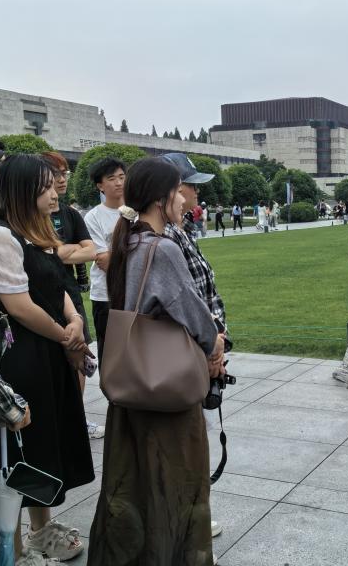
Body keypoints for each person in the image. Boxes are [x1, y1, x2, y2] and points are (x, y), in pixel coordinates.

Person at [88, 157, 220, 566]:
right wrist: (215, 344)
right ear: (161, 199)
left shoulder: (127, 241)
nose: (183, 199)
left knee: (136, 486)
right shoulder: (161, 248)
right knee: (175, 484)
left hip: (132, 385)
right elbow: (192, 311)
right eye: (177, 191)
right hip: (166, 391)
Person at [0, 155, 94, 563]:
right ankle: (16, 548)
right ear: (23, 190)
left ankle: (41, 530)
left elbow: (57, 286)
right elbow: (19, 306)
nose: (55, 191)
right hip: (20, 356)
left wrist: (75, 320)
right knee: (20, 449)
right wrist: (66, 335)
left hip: (49, 350)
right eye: (45, 185)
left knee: (45, 443)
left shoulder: (36, 231)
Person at [160, 152, 229, 540]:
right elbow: (187, 302)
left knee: (192, 439)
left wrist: (218, 342)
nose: (195, 193)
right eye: (189, 186)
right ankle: (186, 519)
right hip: (189, 352)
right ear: (170, 190)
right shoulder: (165, 238)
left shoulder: (180, 229)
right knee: (183, 442)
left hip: (204, 345)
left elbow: (206, 291)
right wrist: (211, 349)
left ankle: (191, 513)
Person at [40, 152, 104, 440]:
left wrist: (55, 251)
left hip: (71, 296)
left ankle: (77, 418)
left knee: (80, 355)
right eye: (56, 175)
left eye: (65, 174)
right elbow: (39, 251)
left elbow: (91, 251)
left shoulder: (71, 214)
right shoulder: (31, 217)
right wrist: (64, 250)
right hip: (44, 298)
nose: (62, 180)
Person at [84, 157, 126, 364]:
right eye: (111, 178)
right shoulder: (93, 217)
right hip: (105, 295)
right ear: (100, 185)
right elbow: (103, 260)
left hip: (136, 293)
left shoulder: (138, 212)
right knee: (110, 353)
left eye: (122, 177)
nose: (119, 182)